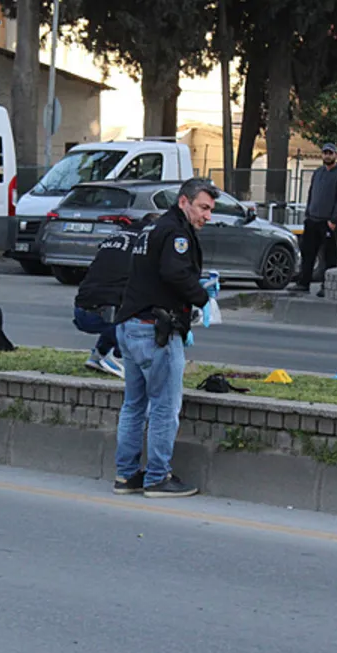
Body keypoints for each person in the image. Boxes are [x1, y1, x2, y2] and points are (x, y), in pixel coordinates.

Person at [111, 179, 216, 498]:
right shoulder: (176, 232)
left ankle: (126, 475)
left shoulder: (153, 228)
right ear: (184, 202)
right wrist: (203, 299)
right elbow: (175, 273)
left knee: (133, 404)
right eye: (203, 207)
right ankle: (157, 476)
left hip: (130, 324)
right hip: (155, 330)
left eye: (211, 210)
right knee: (164, 406)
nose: (207, 216)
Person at [72, 213, 158, 379]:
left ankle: (99, 354)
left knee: (119, 303)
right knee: (144, 316)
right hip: (103, 314)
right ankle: (117, 359)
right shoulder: (145, 243)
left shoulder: (116, 236)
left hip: (82, 308)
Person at [295, 142, 337, 295]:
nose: (327, 155)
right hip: (312, 219)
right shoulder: (318, 172)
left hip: (328, 222)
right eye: (325, 153)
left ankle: (327, 286)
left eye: (330, 153)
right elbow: (311, 193)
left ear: (335, 155)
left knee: (329, 256)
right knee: (308, 253)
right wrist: (308, 213)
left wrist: (334, 220)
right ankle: (303, 283)